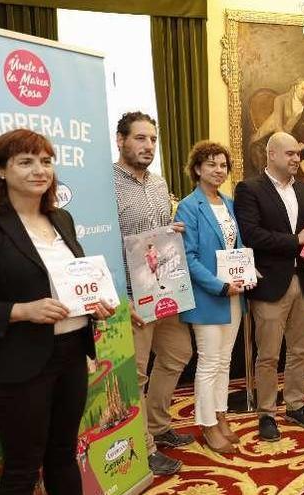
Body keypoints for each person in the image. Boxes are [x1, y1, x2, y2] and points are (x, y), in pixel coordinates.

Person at [0, 129, 115, 494]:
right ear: (1, 171)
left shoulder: (61, 219)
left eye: (46, 161)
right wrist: (21, 310)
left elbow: (73, 280)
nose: (39, 170)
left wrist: (94, 304)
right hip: (21, 362)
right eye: (26, 161)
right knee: (22, 467)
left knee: (63, 453)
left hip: (71, 355)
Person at [112, 111, 192, 475]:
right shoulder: (106, 185)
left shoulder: (160, 184)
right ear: (121, 140)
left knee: (178, 354)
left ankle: (159, 426)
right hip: (132, 296)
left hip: (164, 290)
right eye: (140, 138)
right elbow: (103, 240)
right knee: (137, 373)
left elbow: (158, 234)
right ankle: (144, 448)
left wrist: (172, 229)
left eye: (153, 140)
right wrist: (120, 296)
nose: (148, 146)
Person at [234, 132, 304, 441]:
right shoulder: (249, 189)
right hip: (270, 284)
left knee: (301, 350)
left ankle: (296, 404)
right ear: (271, 155)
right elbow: (252, 235)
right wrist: (294, 240)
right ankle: (267, 413)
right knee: (268, 355)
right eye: (289, 154)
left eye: (298, 153)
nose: (296, 158)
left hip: (303, 282)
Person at [175, 141, 249, 453]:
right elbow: (188, 258)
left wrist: (247, 274)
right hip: (209, 297)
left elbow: (238, 249)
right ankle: (206, 424)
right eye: (211, 165)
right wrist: (219, 285)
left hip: (234, 295)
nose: (218, 170)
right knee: (208, 362)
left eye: (222, 165)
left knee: (224, 361)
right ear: (197, 169)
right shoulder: (188, 207)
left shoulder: (230, 203)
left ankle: (220, 415)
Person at [250, 78, 304, 145]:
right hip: (267, 137)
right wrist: (291, 144)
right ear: (295, 87)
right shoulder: (281, 99)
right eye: (302, 88)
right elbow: (278, 128)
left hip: (286, 137)